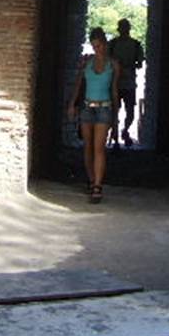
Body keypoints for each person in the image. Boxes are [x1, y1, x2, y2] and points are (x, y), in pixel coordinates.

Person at [68, 26, 119, 204]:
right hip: (87, 108)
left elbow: (114, 90)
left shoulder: (113, 64)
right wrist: (72, 104)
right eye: (94, 46)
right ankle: (91, 180)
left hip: (104, 108)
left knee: (99, 148)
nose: (97, 49)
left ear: (105, 44)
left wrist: (116, 115)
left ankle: (98, 185)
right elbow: (78, 85)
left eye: (100, 45)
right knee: (87, 147)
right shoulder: (86, 63)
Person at [108, 18, 144, 148]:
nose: (124, 30)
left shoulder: (136, 45)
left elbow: (140, 63)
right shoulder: (112, 44)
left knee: (130, 113)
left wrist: (127, 65)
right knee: (114, 112)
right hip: (115, 83)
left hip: (128, 83)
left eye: (125, 27)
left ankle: (124, 131)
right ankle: (116, 137)